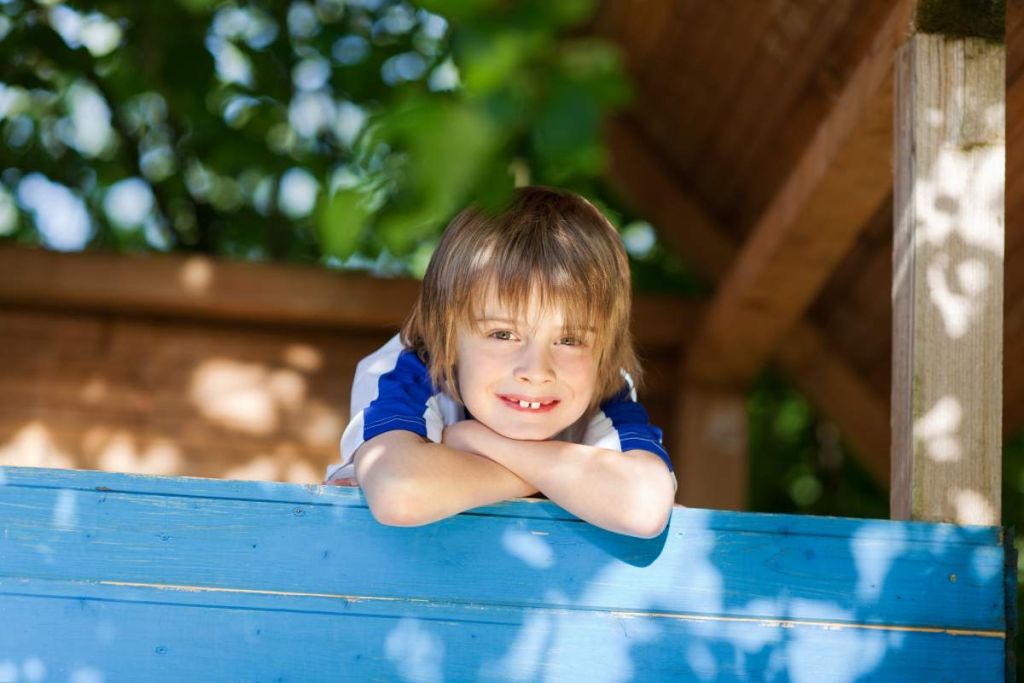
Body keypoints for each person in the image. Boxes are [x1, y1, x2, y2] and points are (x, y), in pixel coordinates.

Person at [324, 185, 677, 538]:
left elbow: (642, 507)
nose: (536, 371)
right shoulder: (410, 369)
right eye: (503, 334)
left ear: (603, 352)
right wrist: (553, 480)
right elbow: (398, 492)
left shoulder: (604, 386)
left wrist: (477, 441)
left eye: (569, 340)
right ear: (446, 333)